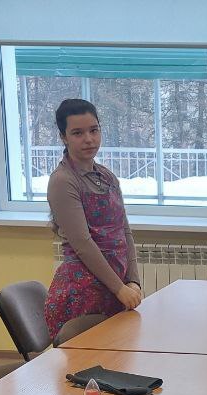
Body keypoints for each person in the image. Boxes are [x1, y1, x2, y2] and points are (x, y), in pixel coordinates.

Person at [43, 98, 142, 341]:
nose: (89, 139)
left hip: (116, 289)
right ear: (64, 137)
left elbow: (124, 232)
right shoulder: (63, 180)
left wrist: (133, 281)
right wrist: (120, 288)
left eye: (94, 130)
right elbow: (83, 243)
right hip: (83, 294)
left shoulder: (107, 176)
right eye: (78, 133)